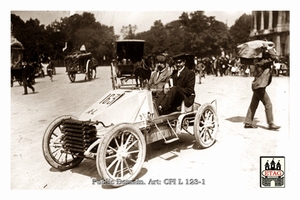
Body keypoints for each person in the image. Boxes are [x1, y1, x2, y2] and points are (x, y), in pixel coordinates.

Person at [244, 46, 280, 130]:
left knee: (253, 104)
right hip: (259, 87)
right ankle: (271, 123)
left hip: (257, 86)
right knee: (268, 104)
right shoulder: (262, 62)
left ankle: (248, 122)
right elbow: (274, 57)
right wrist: (269, 48)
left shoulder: (257, 61)